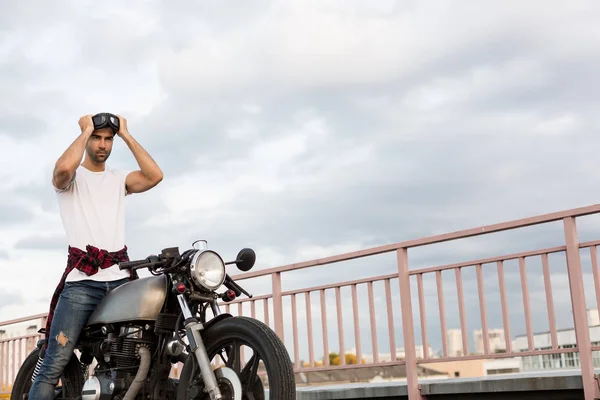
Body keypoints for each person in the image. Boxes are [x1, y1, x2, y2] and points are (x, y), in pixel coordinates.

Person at [28, 114, 163, 399]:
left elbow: (154, 176)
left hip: (121, 282)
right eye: (97, 138)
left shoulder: (118, 179)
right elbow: (63, 167)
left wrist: (125, 134)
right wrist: (86, 128)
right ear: (87, 138)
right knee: (56, 359)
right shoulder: (70, 180)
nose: (103, 144)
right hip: (82, 285)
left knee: (141, 353)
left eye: (107, 139)